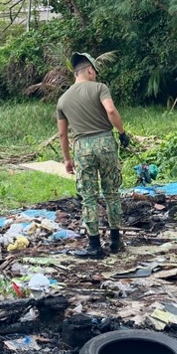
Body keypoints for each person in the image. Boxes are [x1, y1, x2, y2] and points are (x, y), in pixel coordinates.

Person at [57, 52, 132, 258]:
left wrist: (67, 159)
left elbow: (62, 134)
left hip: (82, 147)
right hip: (105, 142)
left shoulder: (63, 99)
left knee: (88, 196)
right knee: (111, 192)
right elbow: (111, 111)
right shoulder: (100, 88)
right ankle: (115, 241)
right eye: (95, 72)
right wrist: (122, 133)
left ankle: (94, 246)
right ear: (90, 70)